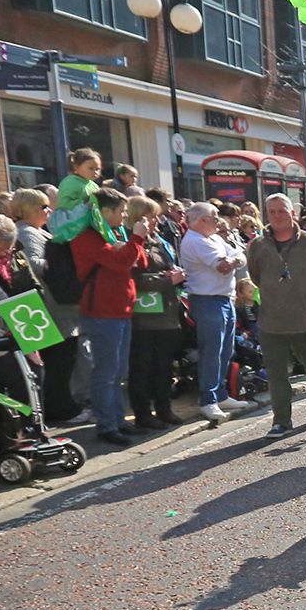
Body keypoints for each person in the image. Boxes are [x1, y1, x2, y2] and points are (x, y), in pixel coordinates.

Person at [247, 193, 306, 436]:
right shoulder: (258, 246)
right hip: (271, 322)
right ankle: (281, 421)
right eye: (272, 211)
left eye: (281, 210)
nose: (277, 216)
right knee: (277, 375)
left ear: (293, 213)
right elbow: (255, 275)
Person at [70, 188, 146, 445]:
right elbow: (122, 262)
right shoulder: (87, 237)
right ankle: (107, 425)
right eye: (121, 211)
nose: (125, 215)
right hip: (102, 312)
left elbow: (139, 262)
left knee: (119, 371)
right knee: (106, 371)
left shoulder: (112, 233)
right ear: (104, 211)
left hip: (120, 311)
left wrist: (134, 241)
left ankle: (118, 420)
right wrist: (135, 240)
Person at [178, 203, 250, 424]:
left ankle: (220, 393)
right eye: (214, 217)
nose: (219, 220)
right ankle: (208, 399)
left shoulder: (215, 239)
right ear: (202, 220)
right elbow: (224, 266)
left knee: (225, 350)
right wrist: (233, 260)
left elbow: (239, 257)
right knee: (212, 351)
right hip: (207, 300)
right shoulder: (194, 240)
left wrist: (234, 259)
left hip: (224, 298)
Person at [126, 198, 188, 429]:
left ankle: (164, 408)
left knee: (164, 365)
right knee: (143, 367)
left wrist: (174, 274)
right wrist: (166, 279)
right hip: (145, 317)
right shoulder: (131, 242)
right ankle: (143, 413)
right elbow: (133, 278)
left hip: (167, 312)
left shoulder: (157, 241)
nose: (157, 221)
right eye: (152, 217)